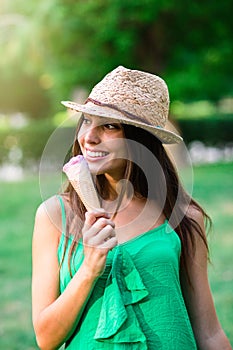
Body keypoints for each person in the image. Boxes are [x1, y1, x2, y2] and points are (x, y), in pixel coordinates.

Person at [32, 66, 231, 350]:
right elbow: (46, 339)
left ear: (141, 139)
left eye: (110, 126)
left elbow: (209, 333)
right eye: (86, 121)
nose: (89, 136)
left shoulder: (184, 217)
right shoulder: (54, 215)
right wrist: (89, 267)